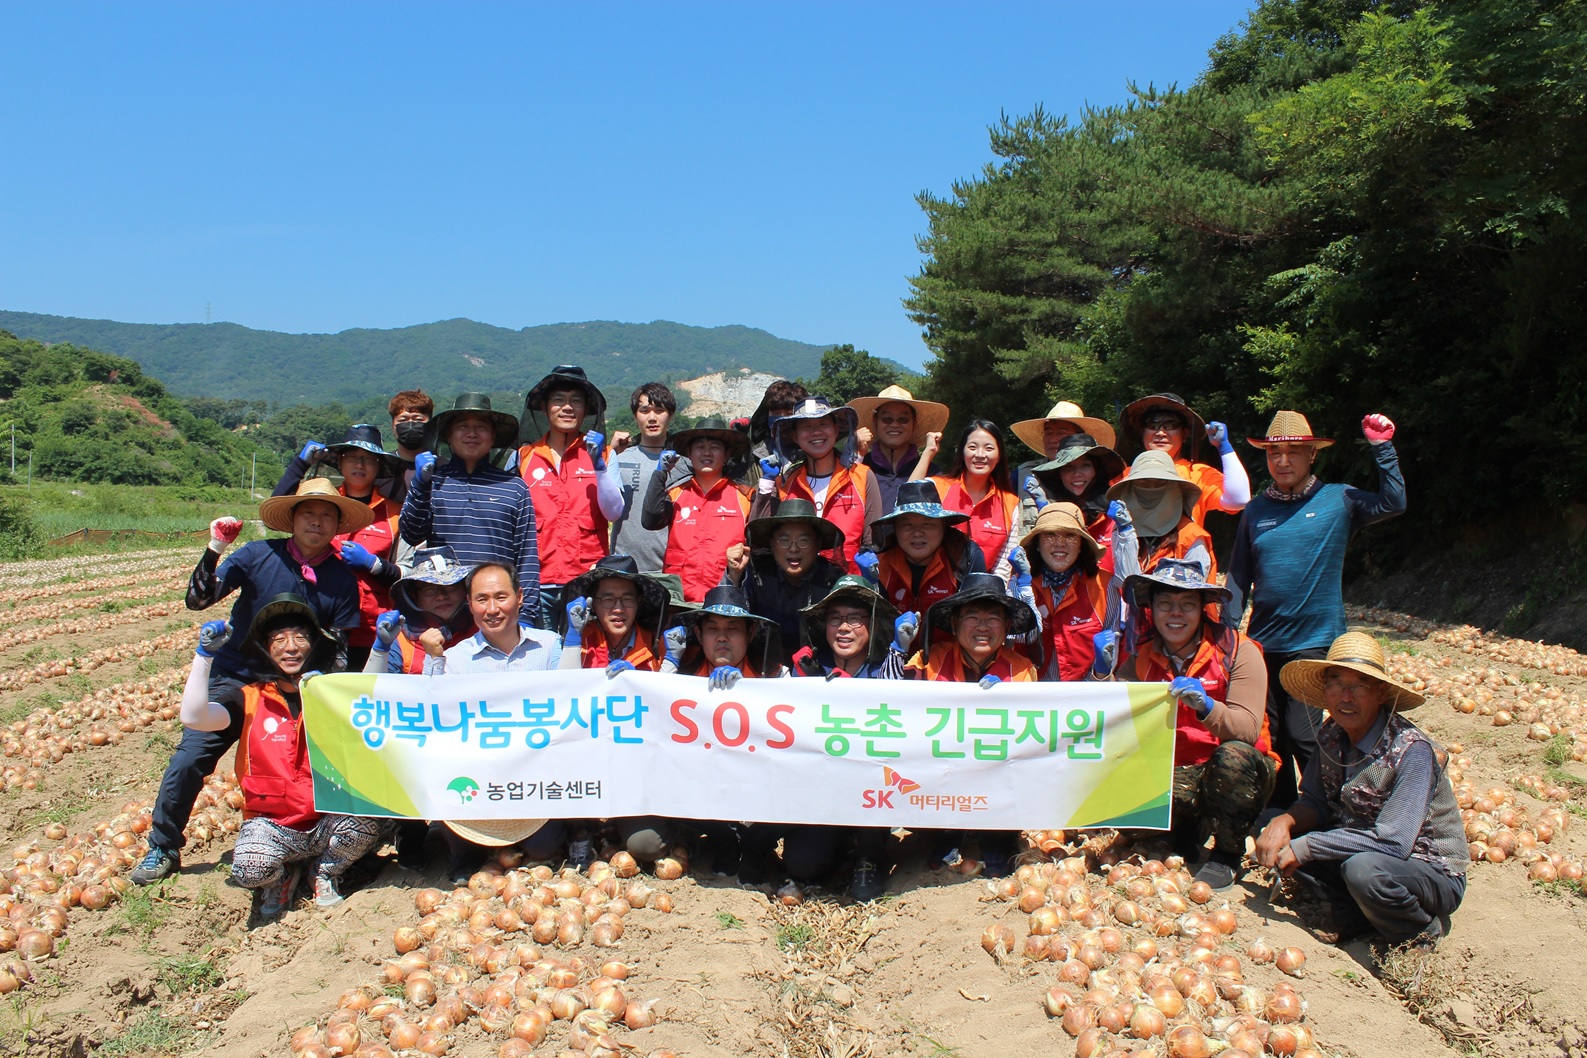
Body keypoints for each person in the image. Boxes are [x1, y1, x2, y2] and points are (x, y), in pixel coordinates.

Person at [133, 480, 367, 887]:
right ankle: (164, 845)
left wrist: (325, 687)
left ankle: (313, 845)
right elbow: (199, 599)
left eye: (327, 514)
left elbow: (341, 645)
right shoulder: (259, 554)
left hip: (301, 689)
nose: (317, 521)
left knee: (320, 767)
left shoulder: (342, 578)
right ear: (292, 519)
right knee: (192, 756)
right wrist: (215, 548)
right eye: (309, 513)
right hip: (238, 677)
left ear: (337, 524)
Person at [1228, 411, 1407, 807]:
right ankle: (1278, 811)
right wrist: (1227, 634)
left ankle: (1325, 809)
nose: (1283, 461)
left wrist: (1383, 448)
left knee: (1304, 731)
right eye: (1274, 453)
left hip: (1315, 639)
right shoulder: (1256, 512)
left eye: (1294, 452)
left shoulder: (1338, 499)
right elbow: (1239, 577)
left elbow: (1394, 502)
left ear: (1312, 455)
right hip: (1262, 642)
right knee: (1269, 732)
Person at [181, 596, 387, 920]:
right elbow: (194, 717)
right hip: (273, 824)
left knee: (369, 823)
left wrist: (380, 648)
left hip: (324, 819)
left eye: (300, 637)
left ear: (315, 644)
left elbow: (371, 698)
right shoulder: (247, 699)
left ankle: (323, 872)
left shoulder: (328, 691)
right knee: (249, 868)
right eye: (279, 640)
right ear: (265, 648)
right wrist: (204, 656)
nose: (291, 647)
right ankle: (281, 878)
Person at [1254, 631, 1465, 947]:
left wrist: (1309, 846)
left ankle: (1417, 931)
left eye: (1358, 686)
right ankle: (1355, 914)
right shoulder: (1331, 734)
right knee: (1269, 820)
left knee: (1364, 871)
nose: (1345, 696)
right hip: (1359, 846)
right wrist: (1284, 823)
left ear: (1380, 693)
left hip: (1425, 868)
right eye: (1336, 684)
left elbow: (1394, 843)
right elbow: (1315, 801)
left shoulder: (1412, 751)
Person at [1094, 558, 1276, 890]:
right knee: (1119, 791)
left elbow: (1248, 730)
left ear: (1203, 609)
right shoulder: (1141, 658)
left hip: (1226, 770)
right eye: (1165, 604)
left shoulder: (1239, 651)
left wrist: (1207, 707)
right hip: (1174, 771)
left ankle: (1227, 854)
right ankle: (1186, 830)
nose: (1175, 613)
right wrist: (1099, 673)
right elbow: (1110, 720)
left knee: (1234, 756)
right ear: (1152, 609)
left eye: (1187, 605)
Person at [743, 577, 903, 901]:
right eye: (835, 619)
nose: (844, 628)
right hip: (816, 795)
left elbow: (900, 710)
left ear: (871, 624)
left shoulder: (885, 668)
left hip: (868, 793)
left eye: (855, 618)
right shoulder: (807, 668)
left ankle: (869, 856)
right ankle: (834, 847)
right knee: (803, 865)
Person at [438, 562, 565, 882]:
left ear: (520, 597)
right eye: (481, 599)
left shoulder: (549, 645)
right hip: (480, 778)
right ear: (469, 605)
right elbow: (433, 715)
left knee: (543, 846)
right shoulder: (455, 659)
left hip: (536, 777)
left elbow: (568, 702)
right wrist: (432, 659)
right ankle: (462, 853)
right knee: (463, 841)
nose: (492, 609)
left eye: (501, 596)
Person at [904, 573, 1036, 877]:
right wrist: (901, 651)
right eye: (972, 617)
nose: (982, 626)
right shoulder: (929, 661)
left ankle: (997, 838)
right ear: (954, 624)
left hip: (998, 771)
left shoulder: (1023, 670)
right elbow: (900, 702)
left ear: (1006, 628)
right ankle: (946, 835)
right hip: (941, 772)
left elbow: (1032, 737)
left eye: (993, 619)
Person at [657, 584, 785, 877]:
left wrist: (750, 691)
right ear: (699, 635)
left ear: (750, 634)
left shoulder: (775, 675)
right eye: (713, 628)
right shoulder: (680, 678)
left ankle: (755, 845)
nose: (723, 637)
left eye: (733, 629)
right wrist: (670, 664)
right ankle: (720, 839)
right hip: (699, 789)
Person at [272, 424, 408, 670]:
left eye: (368, 459)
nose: (360, 465)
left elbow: (405, 574)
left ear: (379, 467)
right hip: (317, 622)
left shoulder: (395, 514)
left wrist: (374, 565)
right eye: (352, 457)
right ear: (340, 462)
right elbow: (276, 510)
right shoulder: (320, 503)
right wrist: (299, 464)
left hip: (372, 628)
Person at [400, 393, 541, 626]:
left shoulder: (515, 487)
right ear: (449, 436)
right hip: (445, 607)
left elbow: (526, 556)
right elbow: (412, 533)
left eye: (481, 427)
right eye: (463, 426)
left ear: (493, 436)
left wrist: (526, 615)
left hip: (496, 609)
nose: (472, 433)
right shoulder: (433, 482)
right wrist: (420, 484)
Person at [517, 365, 624, 626]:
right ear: (544, 408)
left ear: (586, 410)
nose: (567, 407)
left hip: (585, 581)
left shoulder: (606, 455)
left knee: (582, 655)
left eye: (575, 401)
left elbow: (615, 511)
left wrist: (597, 464)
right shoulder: (524, 457)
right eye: (558, 400)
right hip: (537, 581)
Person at [757, 397, 881, 574]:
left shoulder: (862, 476)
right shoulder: (785, 481)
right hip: (796, 591)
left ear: (836, 430)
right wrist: (766, 483)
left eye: (823, 424)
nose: (816, 432)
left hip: (846, 588)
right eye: (806, 427)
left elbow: (873, 542)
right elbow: (760, 537)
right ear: (795, 436)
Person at [1018, 501, 1136, 681]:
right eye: (1050, 534)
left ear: (1082, 544)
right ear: (1036, 543)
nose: (1060, 543)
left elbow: (1109, 661)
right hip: (1030, 696)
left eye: (1070, 535)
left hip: (1084, 699)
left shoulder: (1105, 585)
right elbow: (1015, 641)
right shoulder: (1020, 582)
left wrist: (1099, 673)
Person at [640, 416, 753, 602]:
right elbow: (650, 520)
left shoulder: (745, 497)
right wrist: (660, 472)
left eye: (714, 448)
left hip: (723, 599)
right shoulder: (676, 493)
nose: (706, 453)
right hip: (678, 600)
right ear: (689, 455)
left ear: (727, 455)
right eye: (700, 447)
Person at [724, 499, 845, 667]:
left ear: (818, 544)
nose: (793, 549)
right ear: (772, 543)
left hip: (817, 672)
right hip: (759, 668)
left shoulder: (832, 580)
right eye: (784, 540)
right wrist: (735, 574)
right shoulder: (755, 572)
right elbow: (728, 615)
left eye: (803, 541)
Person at [1115, 392, 1250, 527]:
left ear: (1184, 434)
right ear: (1142, 432)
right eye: (1153, 424)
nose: (1161, 433)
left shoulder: (1199, 474)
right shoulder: (1124, 476)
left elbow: (1238, 501)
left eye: (1170, 425)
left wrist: (1224, 448)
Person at [914, 420, 1021, 580]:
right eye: (972, 447)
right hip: (933, 589)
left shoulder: (1010, 504)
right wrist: (928, 453)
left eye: (989, 448)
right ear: (962, 452)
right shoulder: (938, 487)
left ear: (999, 456)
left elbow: (1003, 567)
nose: (980, 454)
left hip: (980, 594)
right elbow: (905, 499)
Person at [869, 480, 987, 618]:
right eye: (907, 525)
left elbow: (977, 617)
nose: (918, 533)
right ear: (895, 529)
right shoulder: (877, 562)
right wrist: (868, 583)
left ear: (943, 527)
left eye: (928, 524)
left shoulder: (965, 556)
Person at [363, 545, 476, 677]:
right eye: (429, 590)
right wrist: (381, 649)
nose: (441, 596)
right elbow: (372, 690)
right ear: (414, 597)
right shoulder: (398, 638)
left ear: (464, 589)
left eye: (450, 587)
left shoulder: (482, 629)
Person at [1011, 401, 1116, 538]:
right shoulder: (1022, 475)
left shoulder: (1105, 483)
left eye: (1062, 433)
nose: (1053, 439)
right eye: (1048, 433)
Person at [558, 554, 672, 676]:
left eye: (627, 599)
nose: (618, 609)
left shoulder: (655, 647)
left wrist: (637, 679)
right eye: (608, 600)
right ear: (593, 604)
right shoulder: (580, 640)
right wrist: (573, 640)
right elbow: (563, 688)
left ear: (638, 602)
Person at [1105, 451, 1216, 577]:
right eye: (1143, 482)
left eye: (1160, 482)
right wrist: (1126, 533)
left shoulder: (1191, 536)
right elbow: (1124, 580)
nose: (1151, 488)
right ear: (1129, 488)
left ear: (1176, 489)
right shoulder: (1121, 529)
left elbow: (1191, 590)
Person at [1028, 433, 1127, 572]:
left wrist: (1125, 529)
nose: (1077, 474)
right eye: (1068, 467)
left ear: (1096, 471)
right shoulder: (1049, 513)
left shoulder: (1117, 513)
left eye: (1085, 465)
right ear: (1059, 474)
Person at [847, 385, 949, 513]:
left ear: (914, 423)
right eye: (887, 419)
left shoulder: (934, 474)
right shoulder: (859, 467)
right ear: (875, 421)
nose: (895, 424)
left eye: (903, 419)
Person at [609, 382, 677, 572]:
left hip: (668, 569)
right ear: (635, 415)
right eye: (645, 410)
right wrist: (609, 453)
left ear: (670, 415)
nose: (652, 418)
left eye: (659, 410)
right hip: (623, 567)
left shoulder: (683, 463)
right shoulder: (619, 459)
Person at [739, 379, 808, 487]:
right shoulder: (754, 457)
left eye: (789, 414)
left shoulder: (812, 455)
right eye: (775, 413)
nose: (781, 419)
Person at [389, 389, 434, 494]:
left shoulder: (442, 468)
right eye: (403, 420)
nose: (410, 426)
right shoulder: (383, 468)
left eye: (418, 419)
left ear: (430, 425)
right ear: (392, 427)